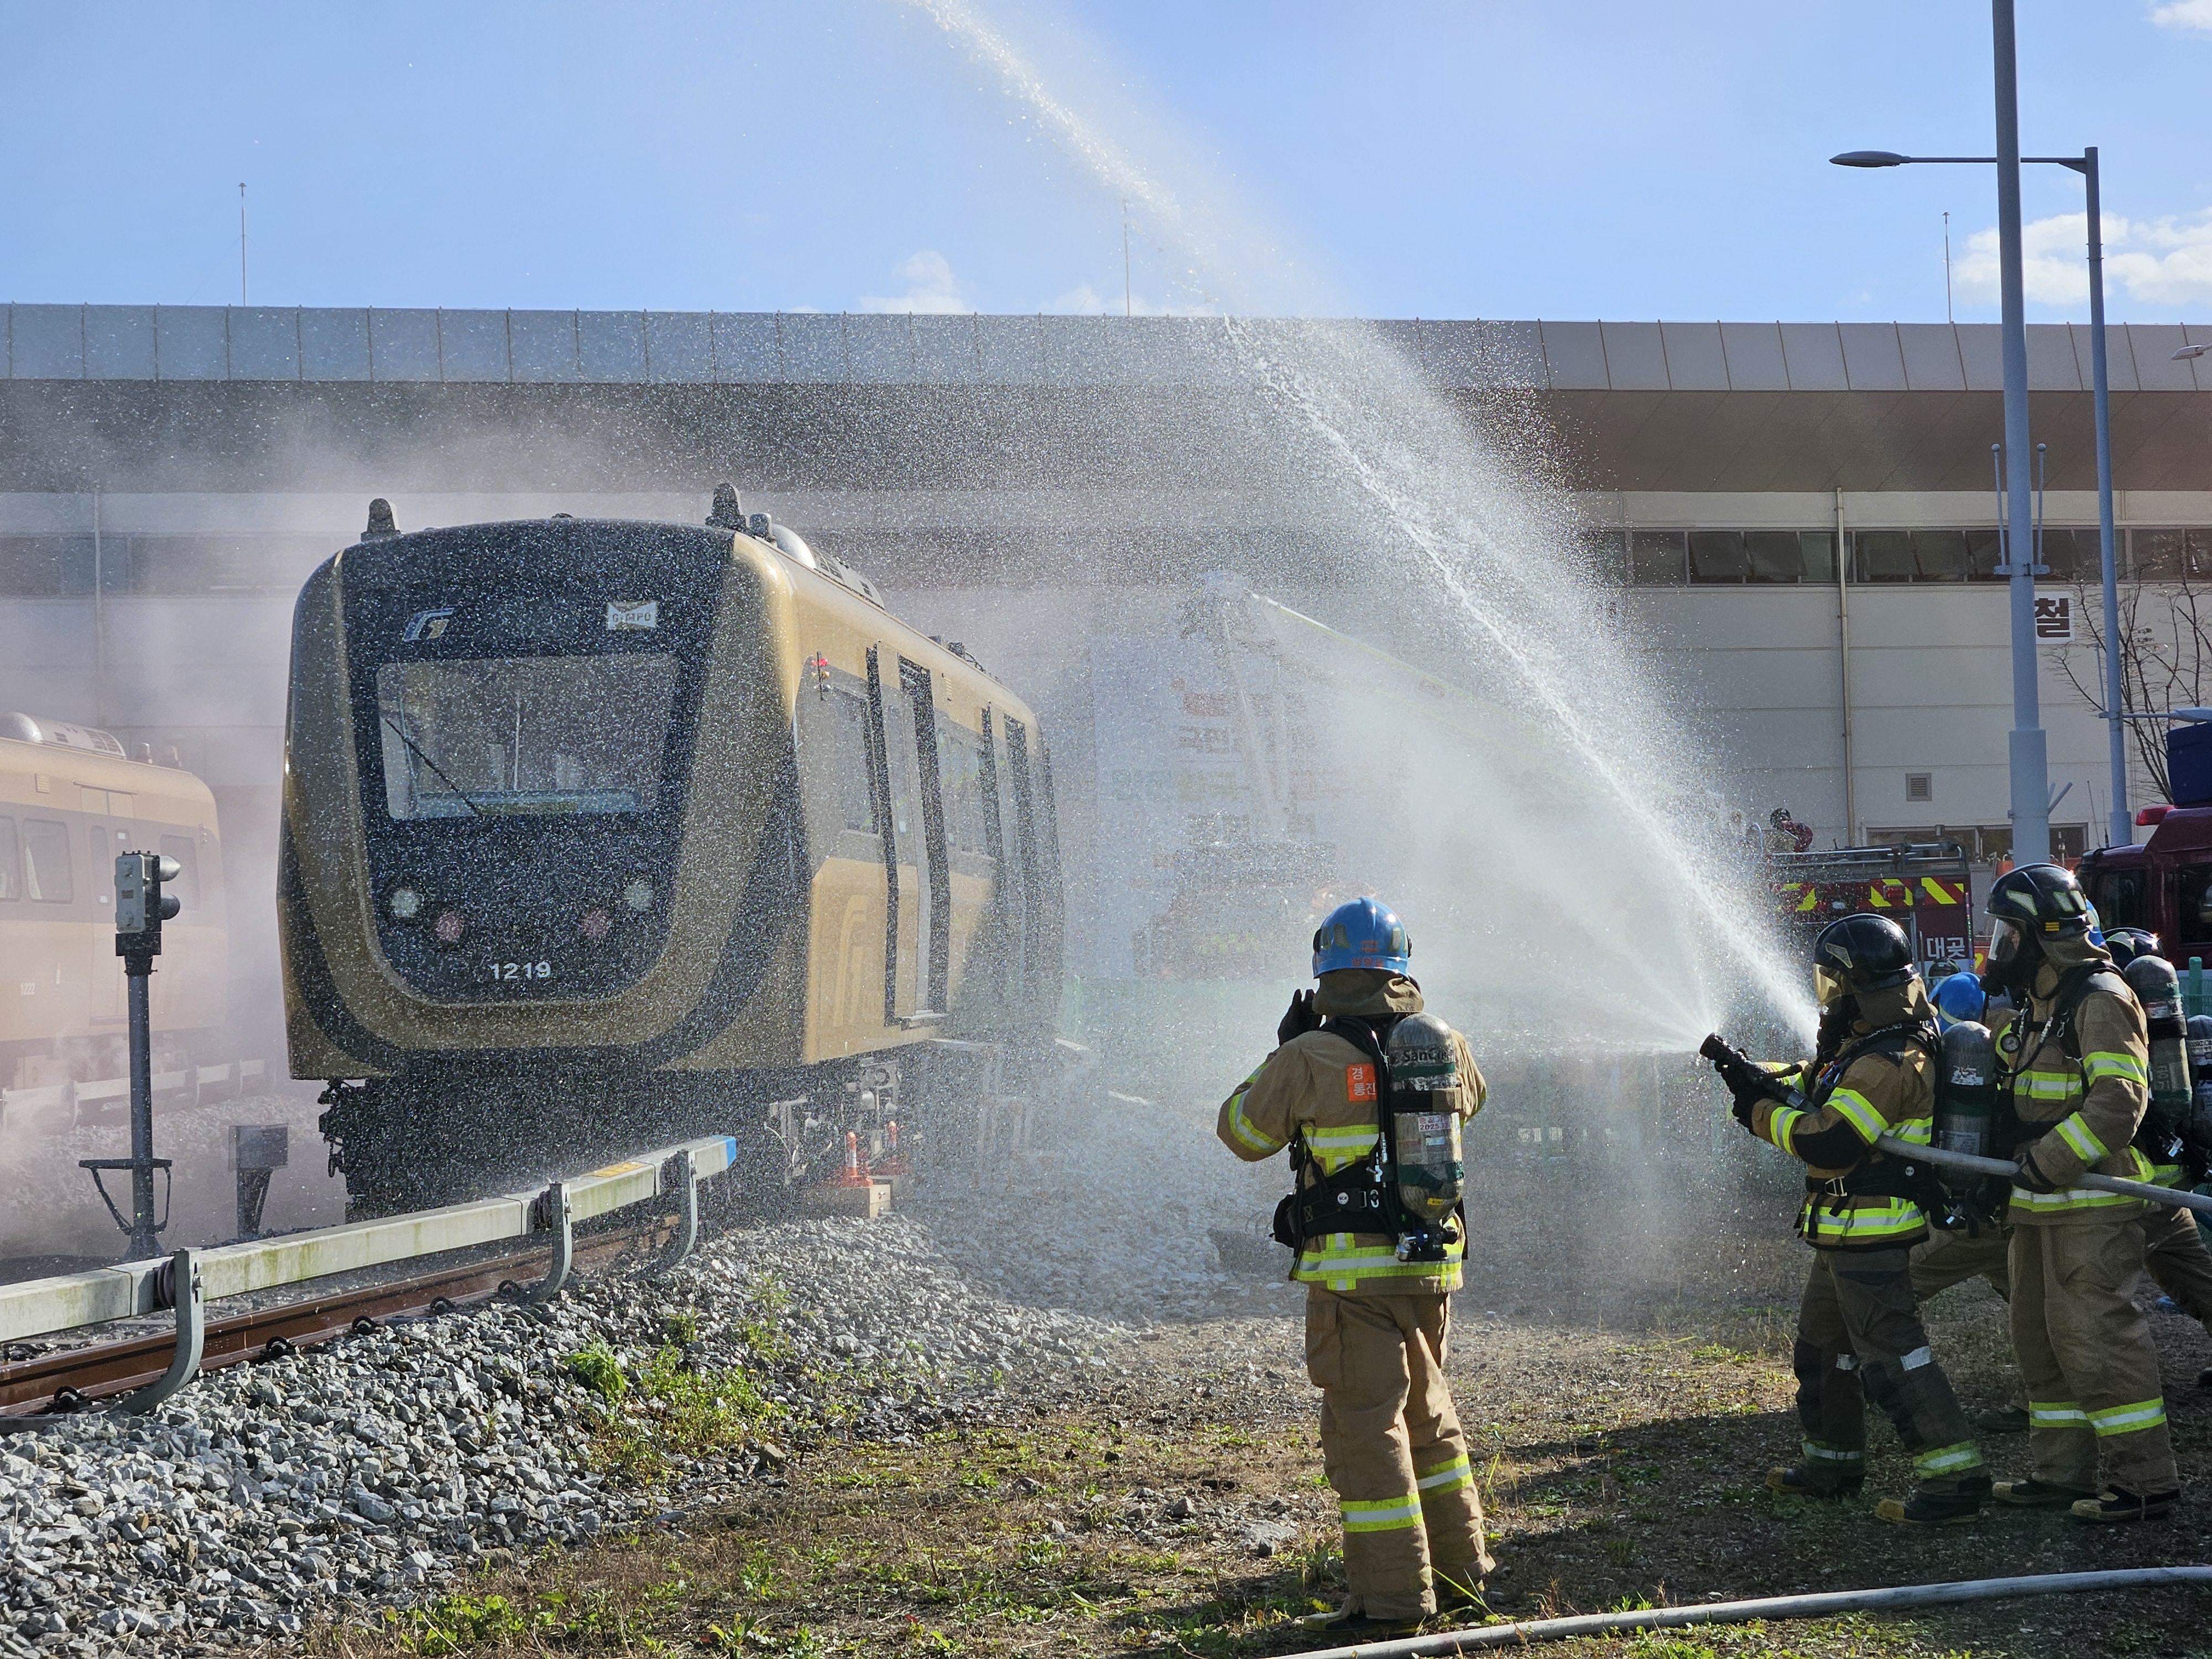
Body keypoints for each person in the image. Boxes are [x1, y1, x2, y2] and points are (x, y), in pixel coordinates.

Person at [1215, 898, 1489, 1636]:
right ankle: (1463, 1579)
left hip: (1352, 1281)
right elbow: (1473, 1102)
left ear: (1324, 973)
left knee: (1368, 1434)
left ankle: (1394, 1605)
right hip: (1431, 1269)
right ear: (1401, 967)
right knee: (1430, 1420)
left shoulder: (1308, 1056)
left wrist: (1279, 1054)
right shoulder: (1446, 1043)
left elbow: (1242, 1133)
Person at [1716, 912, 1989, 1525]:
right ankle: (1832, 1465)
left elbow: (1832, 1139)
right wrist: (1754, 1075)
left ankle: (1956, 1481)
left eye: (1832, 982)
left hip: (1872, 1234)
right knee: (1822, 1348)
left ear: (1857, 985)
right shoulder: (1866, 1046)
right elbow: (1819, 1083)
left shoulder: (1890, 1060)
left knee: (1894, 1358)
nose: (1826, 995)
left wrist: (1759, 1113)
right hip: (1841, 1230)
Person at [1981, 862, 2179, 1522]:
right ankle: (2059, 1474)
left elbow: (2118, 1102)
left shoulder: (2100, 998)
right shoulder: (2042, 1005)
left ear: (2042, 937)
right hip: (2037, 1206)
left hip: (2089, 1205)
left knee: (2098, 1342)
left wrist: (2048, 1160)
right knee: (2040, 1341)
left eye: (2009, 934)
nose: (2000, 947)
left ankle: (2144, 1483)